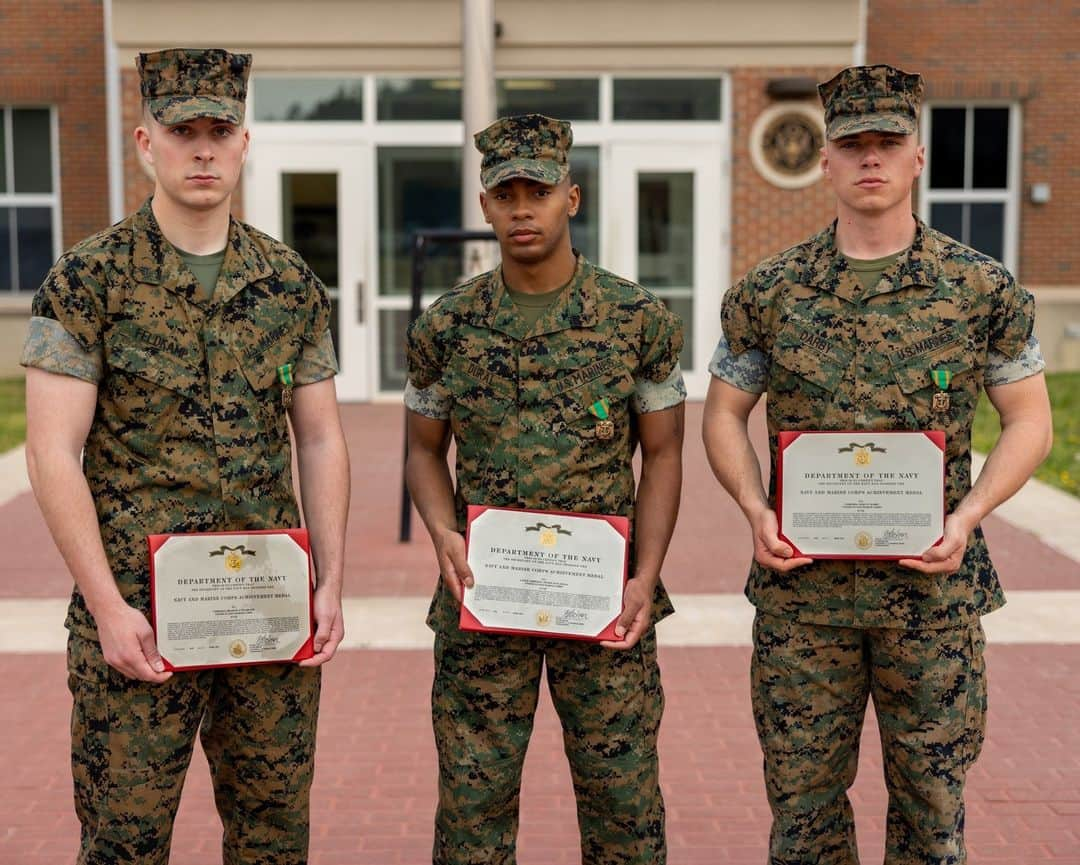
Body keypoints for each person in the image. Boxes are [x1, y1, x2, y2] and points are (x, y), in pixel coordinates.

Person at [702, 64, 1053, 864]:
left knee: (932, 813)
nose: (871, 159)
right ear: (824, 160)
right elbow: (723, 413)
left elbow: (1031, 420)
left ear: (917, 157)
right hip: (804, 599)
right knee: (803, 816)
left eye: (888, 142)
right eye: (852, 143)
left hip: (931, 596)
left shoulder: (980, 289)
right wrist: (756, 510)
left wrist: (968, 515)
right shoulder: (770, 292)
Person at [22, 48, 349, 863]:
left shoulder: (288, 282)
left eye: (219, 130)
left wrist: (332, 581)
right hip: (139, 619)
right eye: (182, 131)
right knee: (124, 842)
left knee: (273, 837)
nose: (202, 149)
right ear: (145, 142)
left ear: (245, 144)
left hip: (267, 613)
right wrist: (104, 606)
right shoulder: (86, 281)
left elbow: (320, 436)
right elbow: (51, 451)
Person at [405, 113, 686, 864]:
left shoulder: (636, 321)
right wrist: (441, 531)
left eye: (539, 190)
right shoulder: (448, 327)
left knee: (623, 801)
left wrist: (646, 576)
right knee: (472, 805)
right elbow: (424, 450)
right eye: (506, 193)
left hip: (602, 601)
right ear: (485, 205)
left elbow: (662, 457)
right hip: (484, 598)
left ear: (573, 197)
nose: (522, 207)